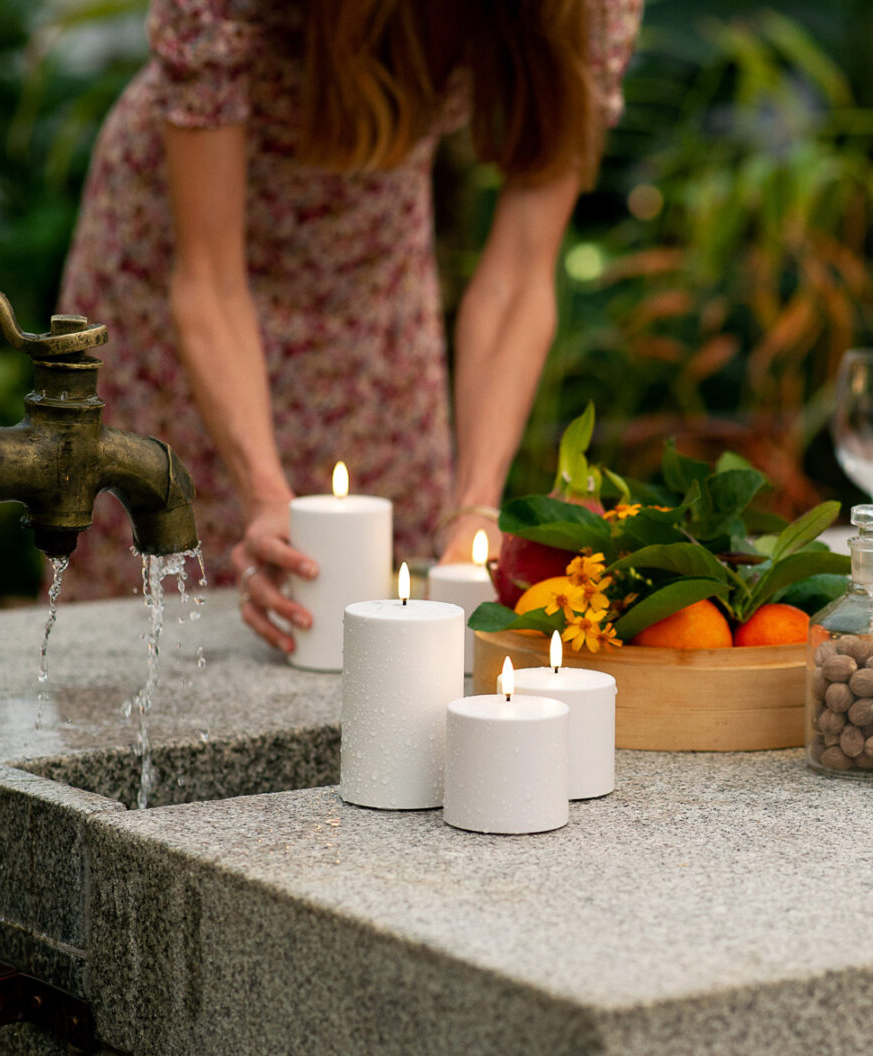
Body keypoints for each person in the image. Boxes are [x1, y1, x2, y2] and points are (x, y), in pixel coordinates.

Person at [58, 0, 642, 654]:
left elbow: (517, 278)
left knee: (386, 622)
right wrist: (266, 494)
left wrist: (474, 508)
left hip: (373, 277)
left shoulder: (592, 9)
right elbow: (209, 280)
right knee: (153, 628)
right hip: (174, 278)